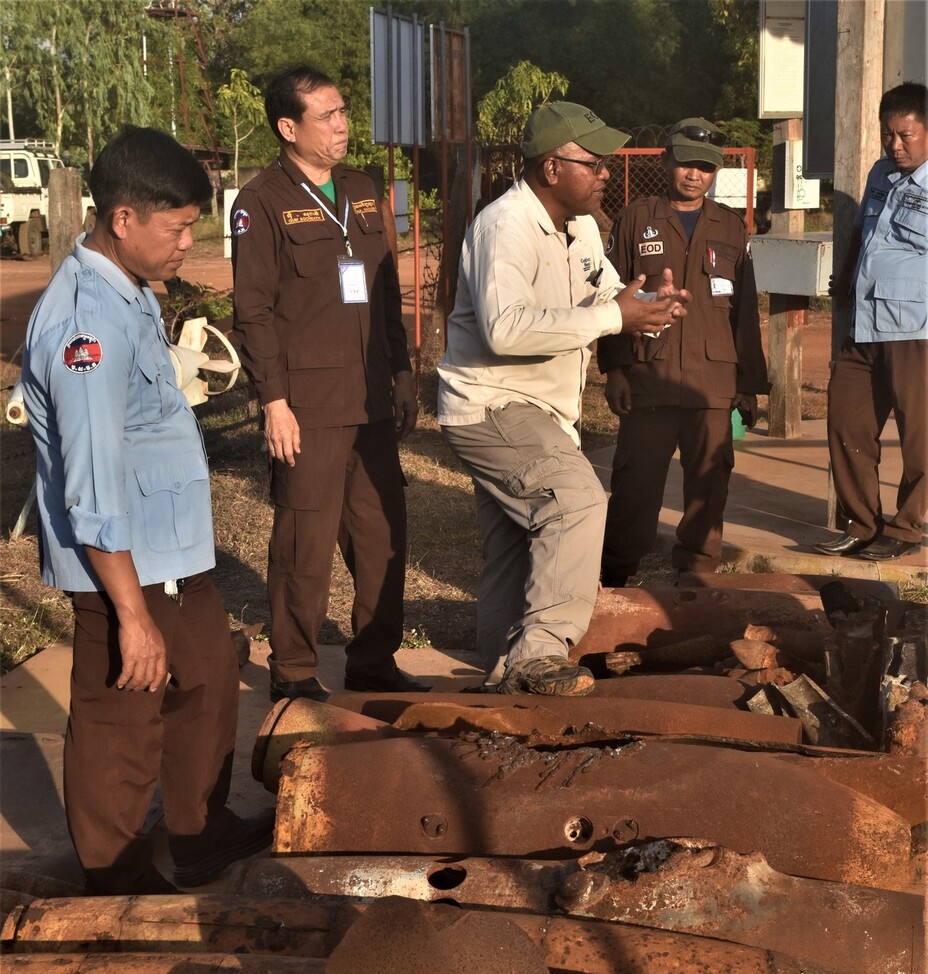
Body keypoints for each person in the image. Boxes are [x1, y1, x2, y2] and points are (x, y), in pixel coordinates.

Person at [20, 126, 274, 896]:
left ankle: (198, 833)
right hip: (123, 563)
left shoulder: (124, 288)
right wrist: (128, 613)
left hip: (166, 551)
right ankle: (114, 876)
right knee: (121, 716)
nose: (186, 244)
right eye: (176, 228)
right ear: (123, 220)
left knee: (204, 677)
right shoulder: (84, 327)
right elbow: (90, 481)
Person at [438, 102, 688, 696]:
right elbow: (506, 328)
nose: (605, 173)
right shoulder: (506, 227)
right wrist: (612, 314)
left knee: (515, 544)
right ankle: (541, 654)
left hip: (538, 409)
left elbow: (609, 294)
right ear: (552, 168)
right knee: (575, 500)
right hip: (494, 404)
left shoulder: (581, 226)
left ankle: (504, 672)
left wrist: (648, 307)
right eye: (593, 162)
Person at [231, 65, 427, 700]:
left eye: (344, 112)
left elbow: (387, 292)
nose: (343, 125)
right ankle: (292, 672)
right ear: (289, 127)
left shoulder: (365, 189)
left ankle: (374, 661)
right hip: (307, 407)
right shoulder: (259, 202)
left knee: (380, 537)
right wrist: (274, 403)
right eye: (328, 116)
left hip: (371, 397)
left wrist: (401, 371)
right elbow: (253, 312)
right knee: (303, 544)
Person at [597, 117, 769, 585]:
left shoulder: (732, 227)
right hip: (648, 378)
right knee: (635, 489)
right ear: (667, 160)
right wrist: (615, 369)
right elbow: (612, 299)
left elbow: (745, 311)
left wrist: (749, 386)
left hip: (713, 383)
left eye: (705, 167)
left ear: (715, 173)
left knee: (708, 489)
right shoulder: (636, 218)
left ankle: (695, 584)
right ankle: (613, 580)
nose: (694, 175)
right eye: (686, 163)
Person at [817, 81, 927, 561]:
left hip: (916, 330)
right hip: (863, 322)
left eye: (906, 135)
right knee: (847, 421)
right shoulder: (881, 173)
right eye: (888, 134)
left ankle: (906, 527)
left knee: (920, 436)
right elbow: (864, 229)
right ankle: (862, 523)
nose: (895, 145)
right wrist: (843, 278)